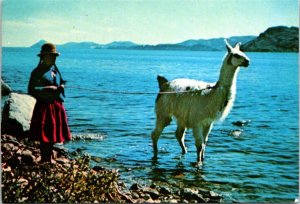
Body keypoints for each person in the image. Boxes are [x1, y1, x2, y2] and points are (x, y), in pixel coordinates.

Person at [28, 42, 71, 163]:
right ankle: (45, 159)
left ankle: (48, 157)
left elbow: (62, 81)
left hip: (56, 106)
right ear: (43, 57)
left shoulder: (55, 70)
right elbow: (31, 89)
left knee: (53, 134)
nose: (53, 58)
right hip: (44, 107)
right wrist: (47, 89)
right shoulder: (36, 72)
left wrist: (62, 85)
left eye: (54, 56)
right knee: (45, 135)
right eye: (50, 56)